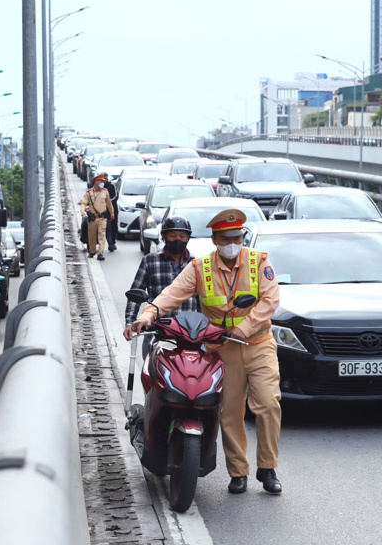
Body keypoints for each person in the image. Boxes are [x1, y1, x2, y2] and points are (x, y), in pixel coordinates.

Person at [128, 208, 283, 495]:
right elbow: (171, 294)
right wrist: (148, 314)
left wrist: (245, 328)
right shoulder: (200, 268)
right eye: (226, 238)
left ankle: (268, 467)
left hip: (257, 344)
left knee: (269, 404)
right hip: (220, 348)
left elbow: (270, 299)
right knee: (229, 412)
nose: (233, 243)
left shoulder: (258, 261)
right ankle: (238, 472)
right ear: (214, 240)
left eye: (237, 237)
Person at [122, 216, 199, 354]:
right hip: (157, 332)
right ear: (164, 236)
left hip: (189, 333)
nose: (178, 240)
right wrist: (130, 322)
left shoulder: (196, 264)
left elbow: (204, 300)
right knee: (151, 372)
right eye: (173, 235)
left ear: (188, 237)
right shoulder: (150, 261)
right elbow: (136, 293)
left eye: (182, 236)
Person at [80, 172, 115, 260]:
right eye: (100, 181)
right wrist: (82, 211)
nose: (102, 183)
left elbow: (109, 204)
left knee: (101, 235)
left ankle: (100, 253)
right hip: (92, 218)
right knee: (91, 236)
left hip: (102, 218)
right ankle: (92, 251)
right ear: (96, 181)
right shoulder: (89, 193)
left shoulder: (105, 192)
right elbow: (83, 203)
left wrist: (112, 213)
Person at [103, 173, 119, 251]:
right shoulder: (100, 187)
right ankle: (110, 244)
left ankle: (113, 242)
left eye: (105, 178)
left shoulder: (112, 186)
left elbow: (116, 196)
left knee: (113, 226)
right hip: (104, 210)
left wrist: (108, 202)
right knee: (107, 227)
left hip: (113, 209)